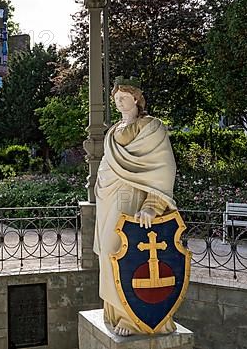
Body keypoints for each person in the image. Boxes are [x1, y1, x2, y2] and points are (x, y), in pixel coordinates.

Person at [94, 77, 177, 336]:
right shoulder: (112, 131)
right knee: (108, 254)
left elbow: (163, 170)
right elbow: (107, 165)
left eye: (124, 96)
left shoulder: (151, 127)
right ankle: (114, 311)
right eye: (116, 97)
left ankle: (133, 317)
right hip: (108, 201)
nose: (119, 100)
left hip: (133, 201)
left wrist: (152, 205)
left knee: (124, 253)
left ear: (137, 98)